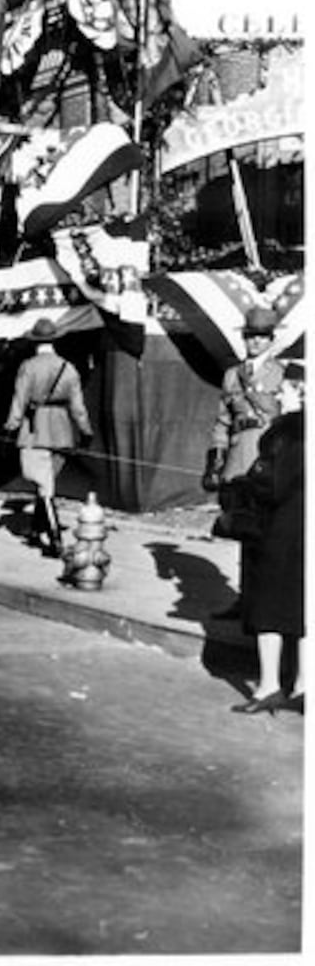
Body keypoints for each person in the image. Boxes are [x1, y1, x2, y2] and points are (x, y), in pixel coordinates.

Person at [231, 361, 305, 715]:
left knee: (268, 609)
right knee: (305, 609)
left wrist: (247, 485)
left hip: (280, 531)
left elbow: (271, 485)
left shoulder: (285, 432)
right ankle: (305, 684)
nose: (278, 391)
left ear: (303, 391)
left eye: (287, 388)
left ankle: (269, 686)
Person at [203, 306, 285, 619]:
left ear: (271, 340)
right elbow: (223, 421)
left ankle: (267, 602)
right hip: (239, 460)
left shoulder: (282, 373)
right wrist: (215, 459)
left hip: (268, 459)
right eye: (250, 336)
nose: (254, 342)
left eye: (261, 337)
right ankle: (244, 600)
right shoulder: (231, 374)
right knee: (243, 529)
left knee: (269, 534)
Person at [3, 318, 93, 556]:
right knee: (46, 484)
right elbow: (78, 407)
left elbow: (19, 401)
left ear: (35, 342)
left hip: (36, 429)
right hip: (62, 431)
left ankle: (55, 540)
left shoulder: (28, 367)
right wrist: (85, 430)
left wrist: (11, 425)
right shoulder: (68, 368)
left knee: (44, 487)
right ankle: (35, 532)